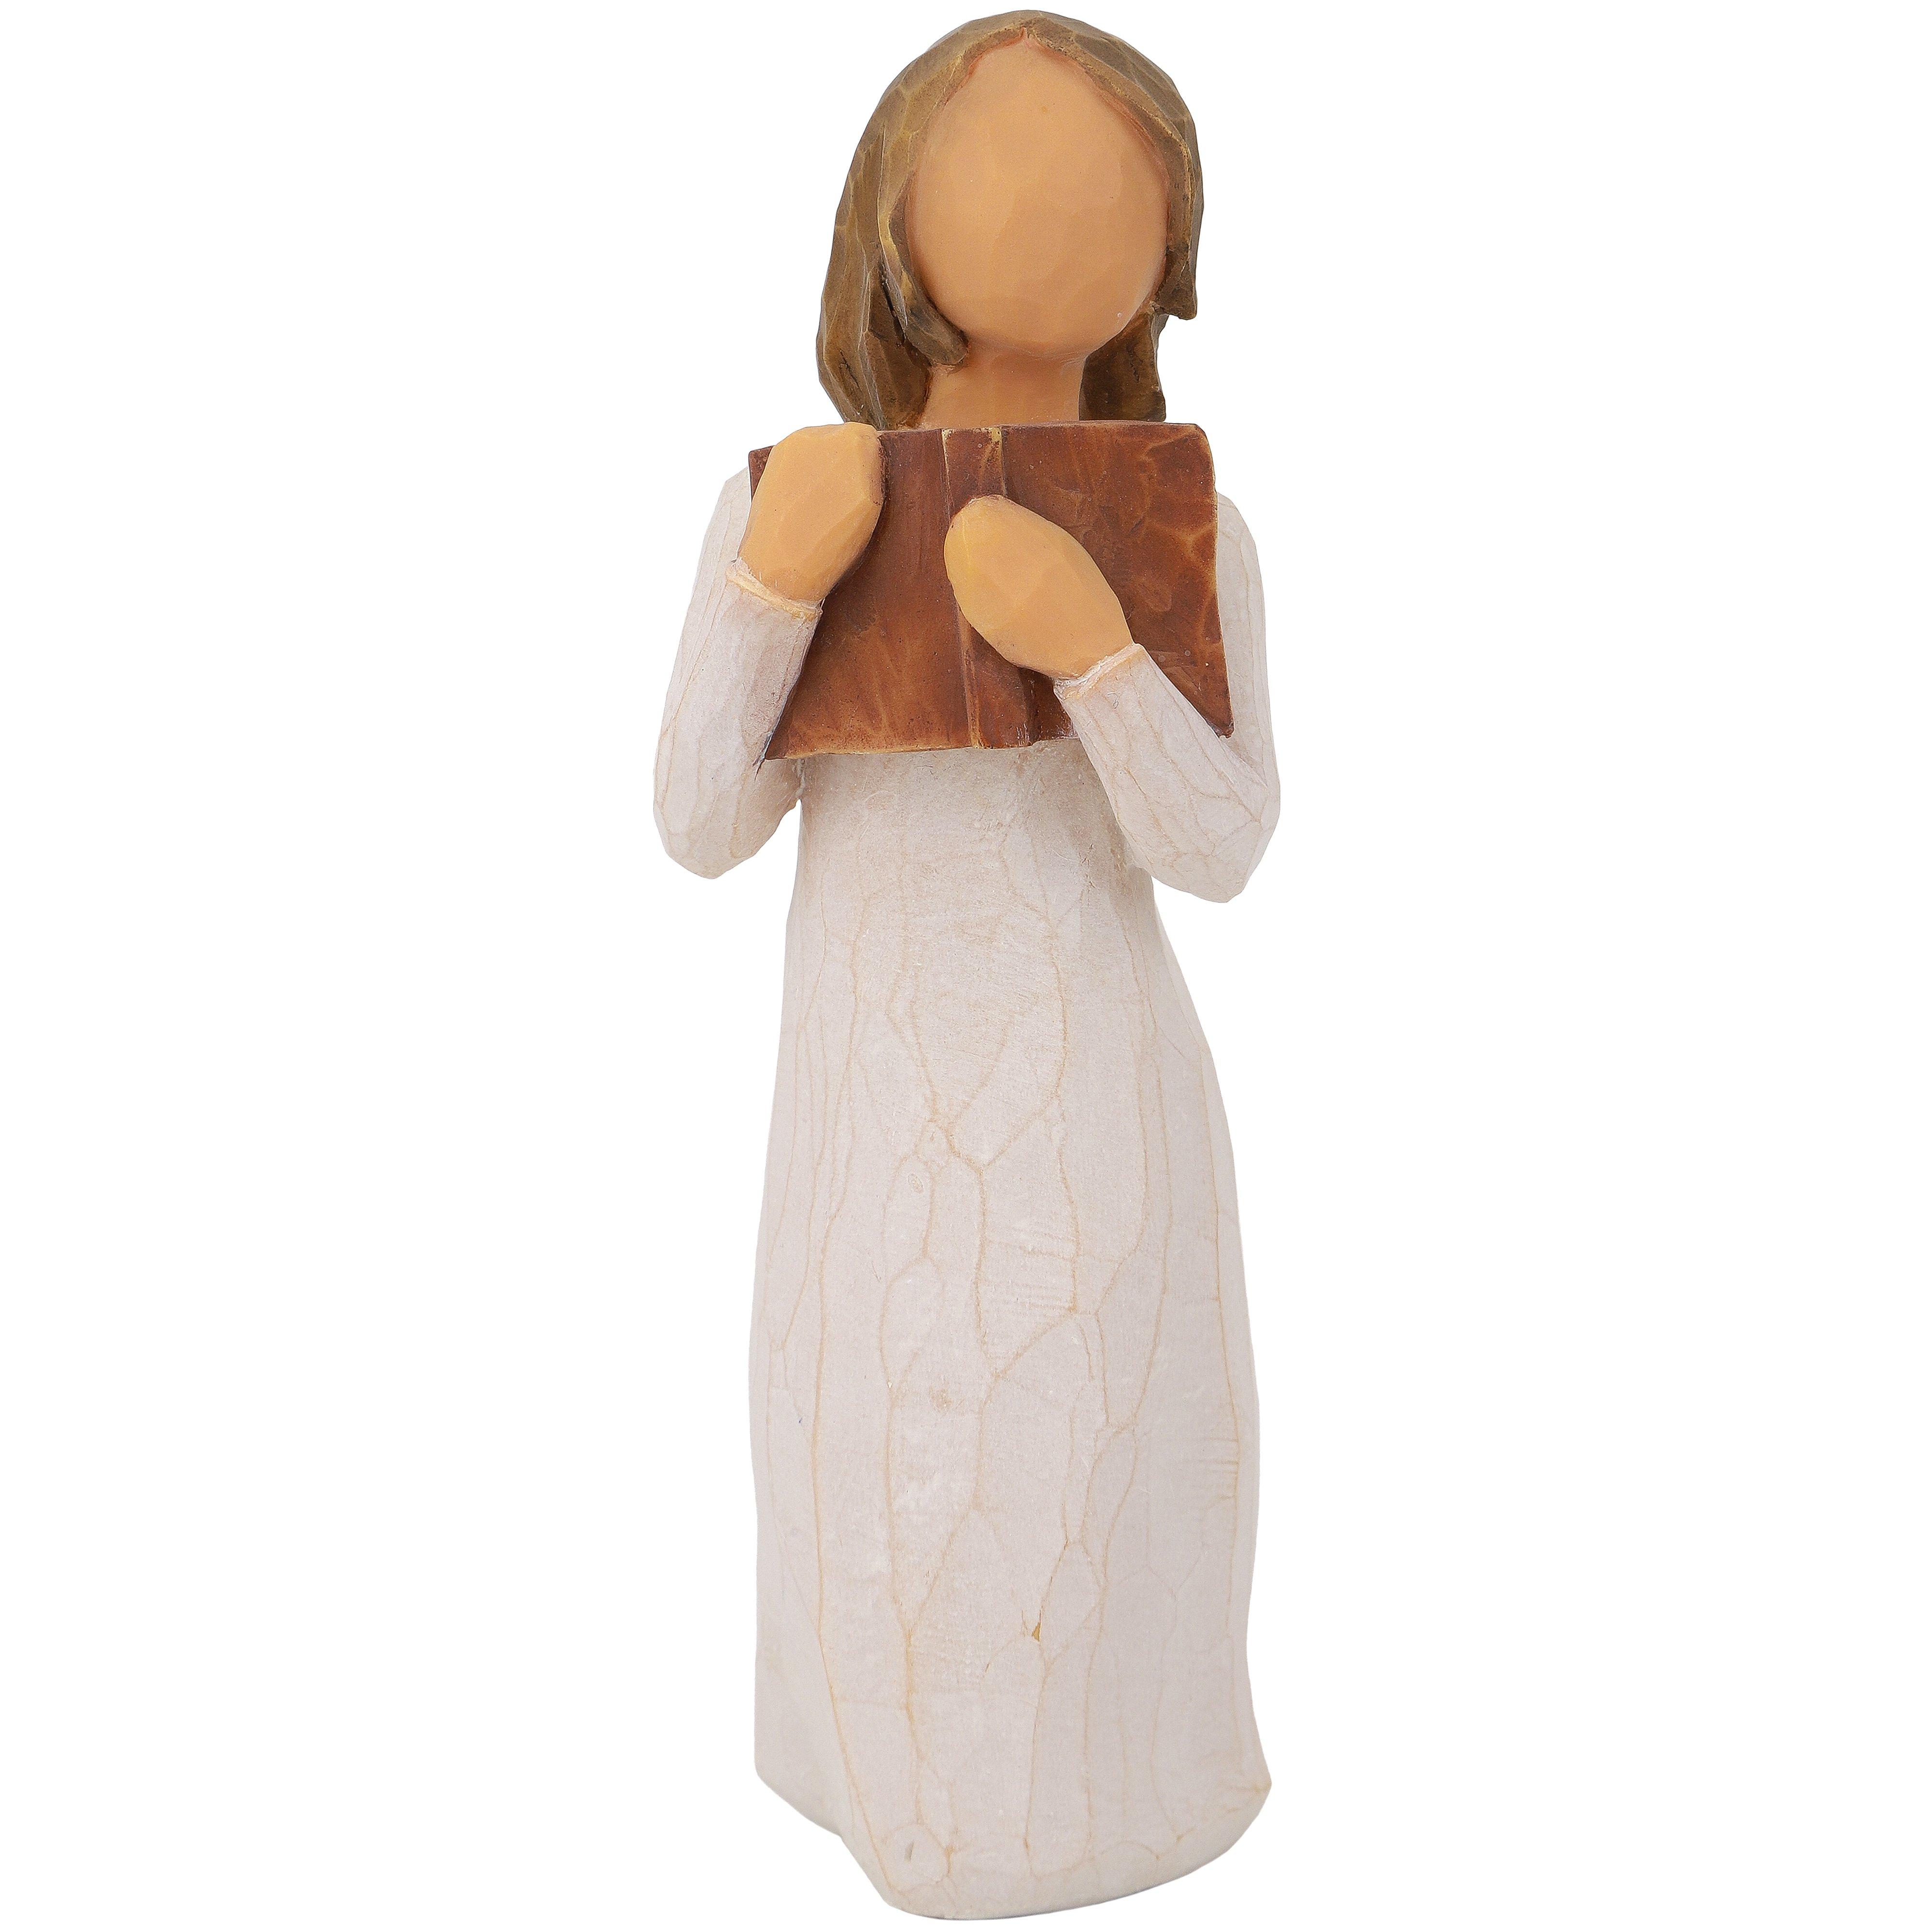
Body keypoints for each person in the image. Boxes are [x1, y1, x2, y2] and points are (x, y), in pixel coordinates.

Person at [655, 14, 1279, 1915]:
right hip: (859, 1120)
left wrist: (1096, 652)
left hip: (1091, 1112)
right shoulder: (789, 501)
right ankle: (878, 1779)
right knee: (866, 1445)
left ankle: (1101, 1799)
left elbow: (1218, 843)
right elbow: (699, 818)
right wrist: (774, 586)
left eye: (1110, 170)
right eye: (992, 151)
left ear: (1168, 237)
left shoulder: (1185, 532)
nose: (1051, 196)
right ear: (891, 215)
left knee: (1078, 1453)